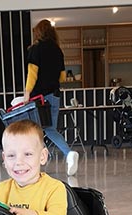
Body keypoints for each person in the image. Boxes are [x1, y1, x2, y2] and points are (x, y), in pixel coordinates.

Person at [0, 119, 68, 215]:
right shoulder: (3, 188)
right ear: (4, 159)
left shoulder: (54, 188)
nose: (19, 162)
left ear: (42, 157)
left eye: (27, 154)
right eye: (11, 156)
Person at [23, 19, 79, 176]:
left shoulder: (36, 49)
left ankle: (35, 162)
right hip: (54, 95)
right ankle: (68, 153)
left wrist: (27, 92)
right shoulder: (58, 50)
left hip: (39, 98)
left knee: (34, 130)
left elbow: (32, 74)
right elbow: (62, 77)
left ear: (39, 32)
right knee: (49, 128)